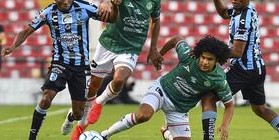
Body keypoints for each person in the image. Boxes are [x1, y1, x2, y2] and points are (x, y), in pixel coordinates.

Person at [1, 0, 119, 140]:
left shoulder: (83, 7)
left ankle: (70, 118)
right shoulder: (48, 12)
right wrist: (13, 46)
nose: (65, 1)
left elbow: (111, 19)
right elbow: (27, 29)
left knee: (78, 113)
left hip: (81, 67)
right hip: (60, 63)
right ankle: (31, 137)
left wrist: (116, 6)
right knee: (46, 98)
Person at [62, 0, 163, 140]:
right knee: (91, 88)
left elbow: (155, 20)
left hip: (131, 47)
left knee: (119, 80)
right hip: (109, 44)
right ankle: (75, 120)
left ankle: (99, 103)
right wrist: (107, 3)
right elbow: (108, 0)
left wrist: (153, 48)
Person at [198, 0, 279, 140]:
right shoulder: (242, 10)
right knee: (260, 109)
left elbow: (237, 52)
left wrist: (213, 52)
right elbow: (224, 13)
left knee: (209, 97)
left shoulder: (244, 18)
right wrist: (216, 0)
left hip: (244, 69)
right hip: (257, 68)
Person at [100, 35, 234, 140]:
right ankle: (104, 134)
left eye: (209, 59)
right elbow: (177, 39)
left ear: (217, 61)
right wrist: (160, 54)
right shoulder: (189, 57)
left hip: (179, 109)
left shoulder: (219, 79)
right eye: (203, 57)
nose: (204, 62)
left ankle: (166, 133)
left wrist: (224, 125)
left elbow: (229, 105)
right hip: (162, 91)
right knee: (143, 116)